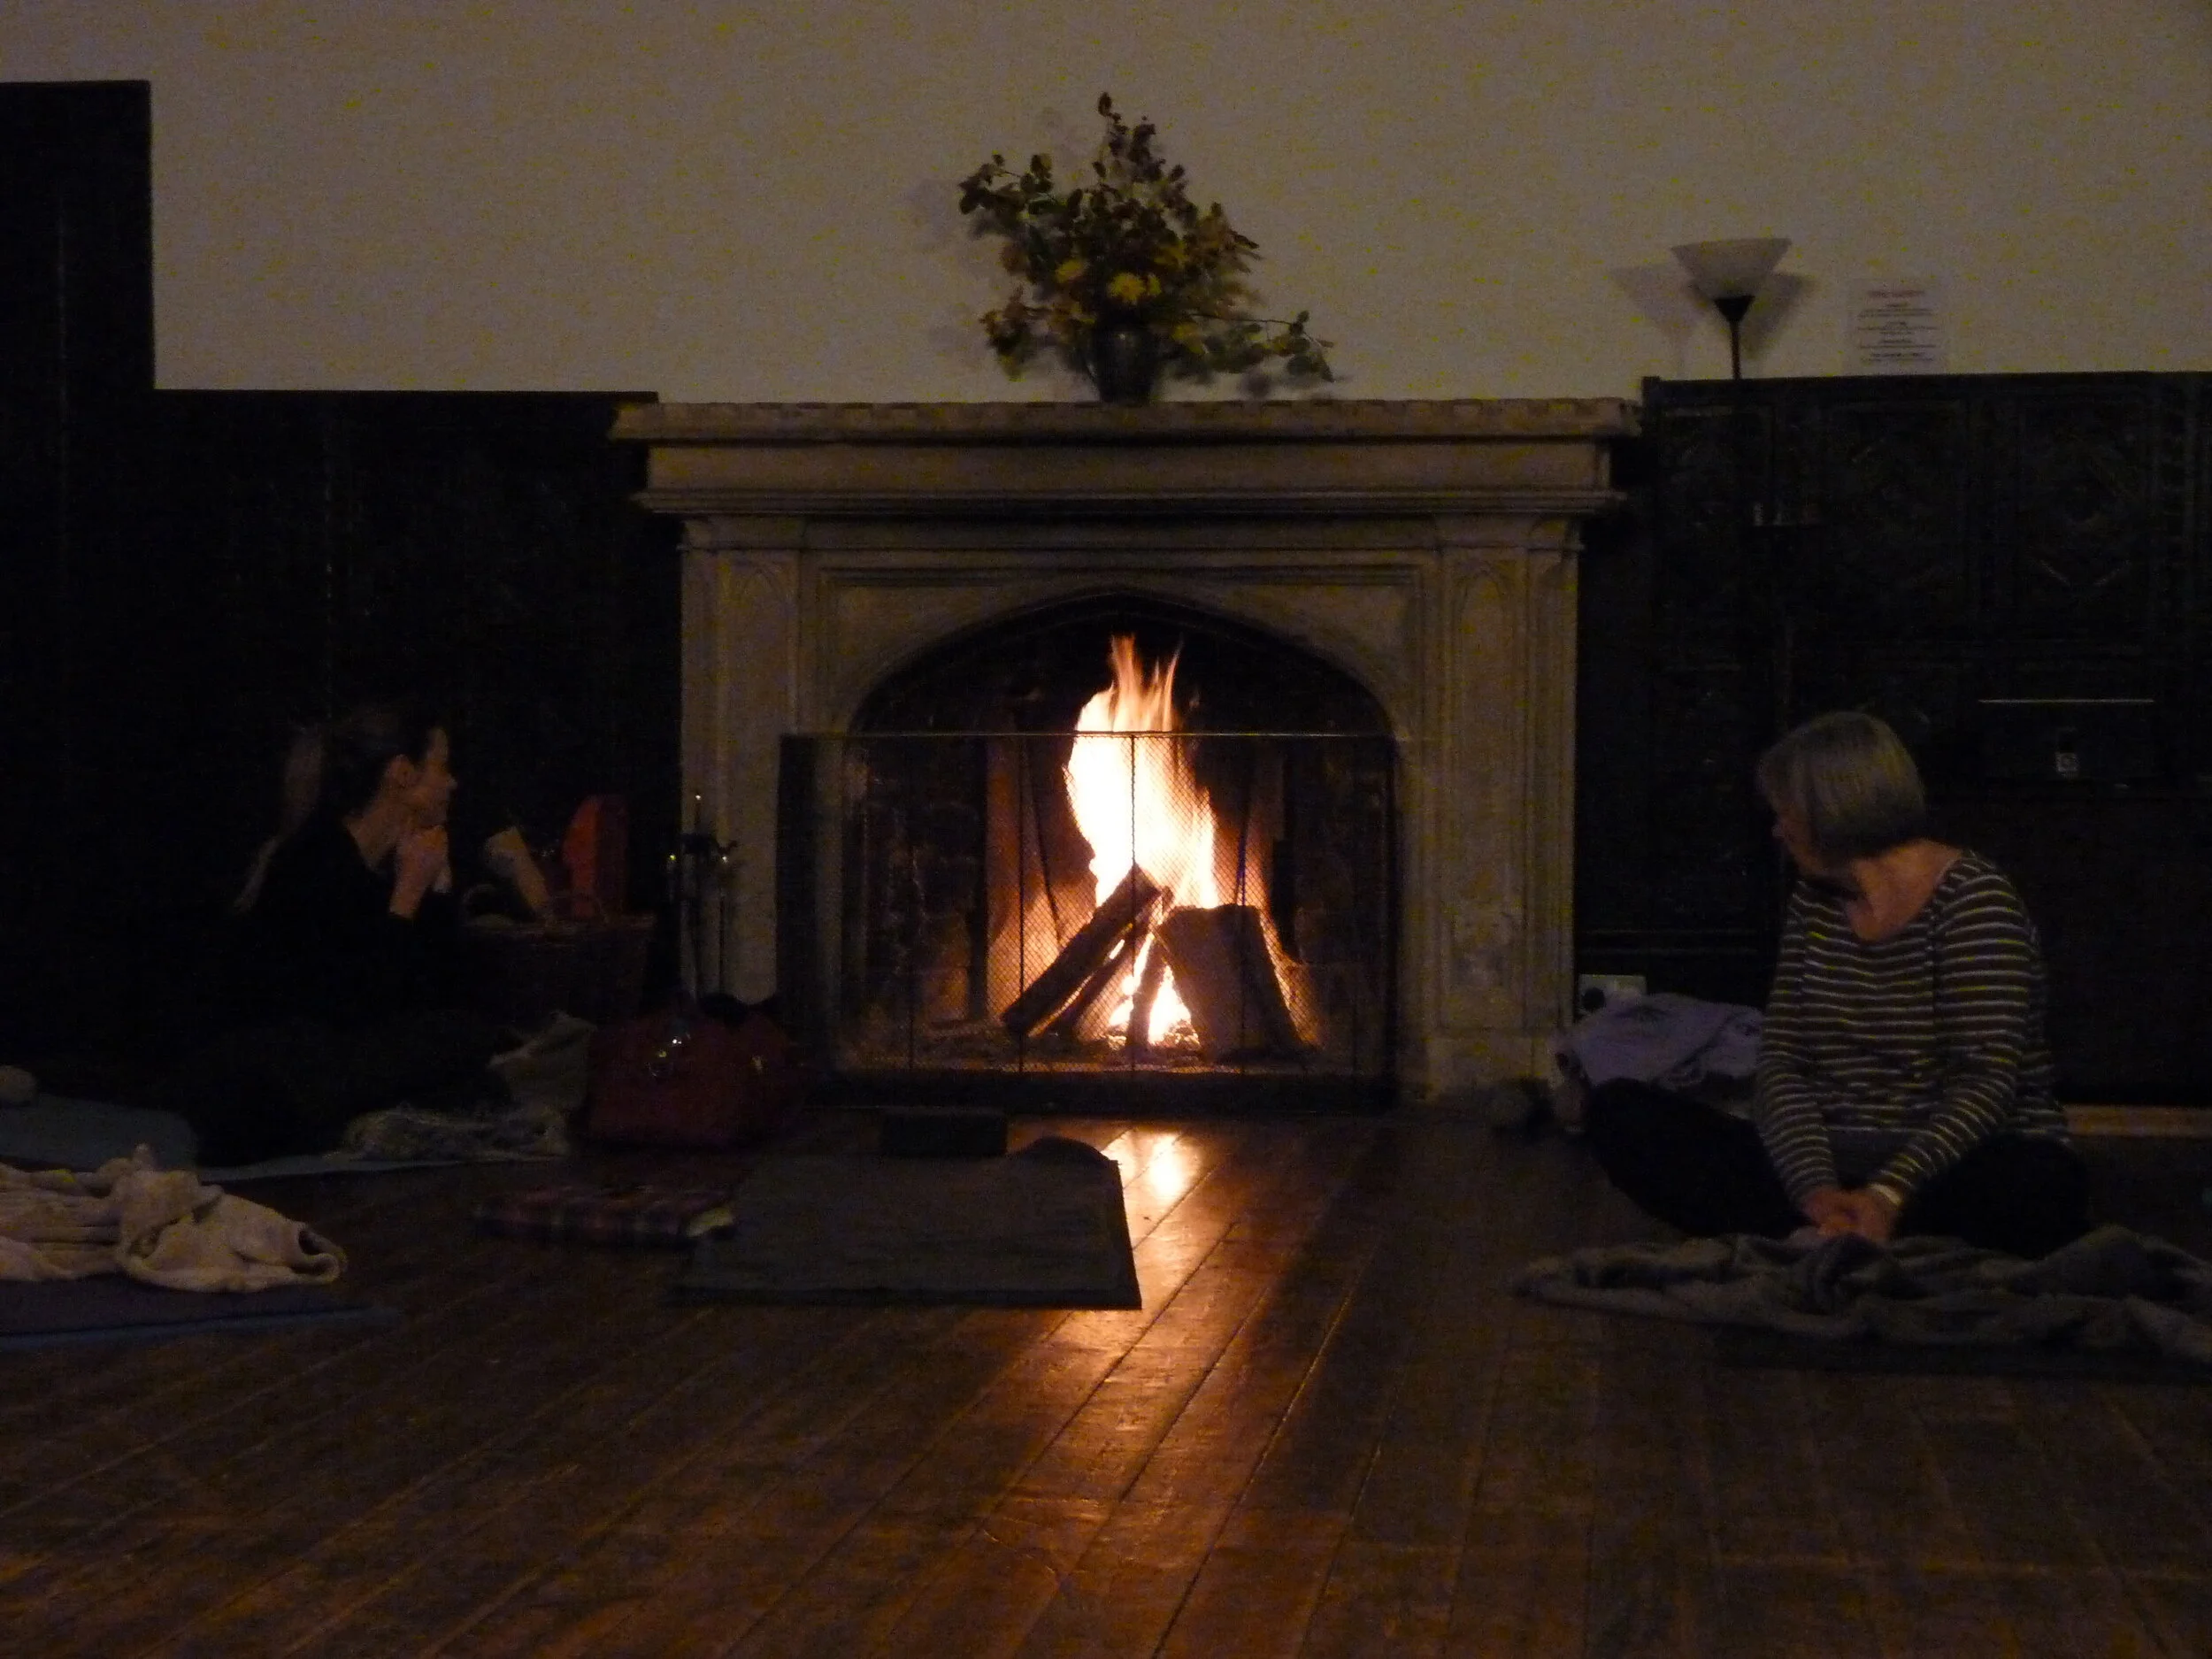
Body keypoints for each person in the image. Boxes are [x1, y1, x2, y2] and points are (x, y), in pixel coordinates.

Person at [1584, 710, 2091, 1259]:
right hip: (1829, 1155)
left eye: (1787, 811)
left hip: (1947, 1161)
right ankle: (1840, 1229)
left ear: (1833, 808)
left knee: (2038, 1182)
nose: (1778, 829)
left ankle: (1853, 1233)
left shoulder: (1974, 901)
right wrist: (1816, 1189)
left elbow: (1987, 1082)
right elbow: (1782, 1062)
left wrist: (1890, 1191)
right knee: (1619, 1112)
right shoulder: (1816, 900)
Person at [159, 703, 509, 1164]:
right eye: (441, 768)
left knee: (469, 1045)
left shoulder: (391, 864)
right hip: (264, 1069)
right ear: (402, 774)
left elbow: (433, 993)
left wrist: (436, 891)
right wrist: (406, 896)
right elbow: (350, 1005)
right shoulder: (313, 860)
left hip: (333, 1057)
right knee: (452, 1052)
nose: (452, 783)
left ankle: (355, 1122)